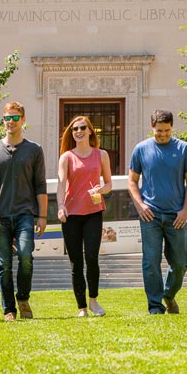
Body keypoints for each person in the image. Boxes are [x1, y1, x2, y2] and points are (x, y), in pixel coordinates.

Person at [127, 109, 187, 315]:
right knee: (151, 262)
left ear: (172, 127)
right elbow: (132, 181)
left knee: (180, 263)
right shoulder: (141, 149)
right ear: (152, 128)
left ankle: (168, 293)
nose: (163, 135)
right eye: (159, 131)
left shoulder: (184, 149)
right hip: (151, 215)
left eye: (167, 131)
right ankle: (155, 306)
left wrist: (185, 210)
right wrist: (140, 205)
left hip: (177, 215)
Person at [0, 101, 48, 322]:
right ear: (3, 121)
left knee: (25, 255)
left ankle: (23, 297)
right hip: (0, 216)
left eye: (15, 118)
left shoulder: (34, 150)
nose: (11, 122)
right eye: (7, 118)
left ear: (23, 120)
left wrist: (42, 216)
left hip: (25, 215)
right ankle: (8, 309)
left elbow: (40, 186)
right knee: (4, 263)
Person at [57, 115, 113, 317]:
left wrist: (102, 189)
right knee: (76, 262)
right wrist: (61, 206)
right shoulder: (66, 157)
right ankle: (81, 308)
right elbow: (61, 184)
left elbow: (109, 184)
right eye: (74, 129)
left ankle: (93, 302)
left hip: (94, 212)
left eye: (82, 128)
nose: (78, 131)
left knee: (91, 257)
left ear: (90, 131)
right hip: (71, 214)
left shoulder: (101, 155)